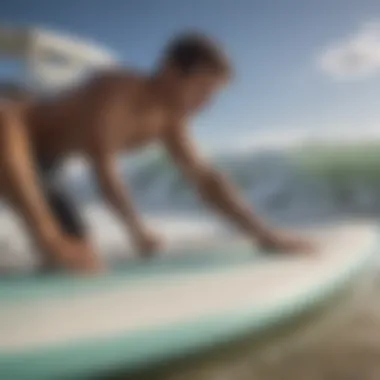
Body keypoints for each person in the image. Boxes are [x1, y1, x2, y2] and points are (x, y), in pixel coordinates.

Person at [0, 32, 312, 273]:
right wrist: (136, 230)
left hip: (44, 164)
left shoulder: (171, 122)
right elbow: (104, 167)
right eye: (202, 88)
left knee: (78, 257)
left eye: (213, 94)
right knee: (50, 238)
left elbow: (206, 180)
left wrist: (264, 234)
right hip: (13, 127)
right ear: (169, 71)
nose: (206, 103)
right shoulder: (116, 90)